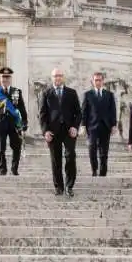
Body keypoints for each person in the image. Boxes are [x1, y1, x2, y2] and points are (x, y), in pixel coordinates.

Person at [38, 68, 81, 197]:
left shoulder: (71, 93)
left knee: (70, 156)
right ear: (52, 78)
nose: (57, 78)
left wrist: (75, 127)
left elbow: (78, 113)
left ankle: (69, 186)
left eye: (60, 76)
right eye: (55, 76)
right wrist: (45, 131)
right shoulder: (46, 93)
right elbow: (42, 114)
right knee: (55, 160)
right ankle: (59, 187)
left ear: (63, 77)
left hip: (69, 131)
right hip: (53, 132)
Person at [0, 67, 28, 176]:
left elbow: (22, 108)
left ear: (10, 78)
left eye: (7, 77)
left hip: (15, 124)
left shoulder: (17, 92)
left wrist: (24, 122)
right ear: (0, 79)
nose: (5, 79)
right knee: (0, 148)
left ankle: (14, 169)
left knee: (16, 147)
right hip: (0, 123)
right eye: (3, 77)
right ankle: (2, 170)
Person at [81, 72, 117, 177]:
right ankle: (94, 170)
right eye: (96, 80)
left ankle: (103, 173)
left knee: (104, 151)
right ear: (92, 81)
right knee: (92, 149)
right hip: (92, 126)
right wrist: (83, 125)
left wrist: (114, 125)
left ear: (103, 81)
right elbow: (84, 111)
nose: (98, 82)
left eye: (100, 80)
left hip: (105, 126)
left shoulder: (109, 95)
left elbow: (112, 111)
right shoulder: (88, 94)